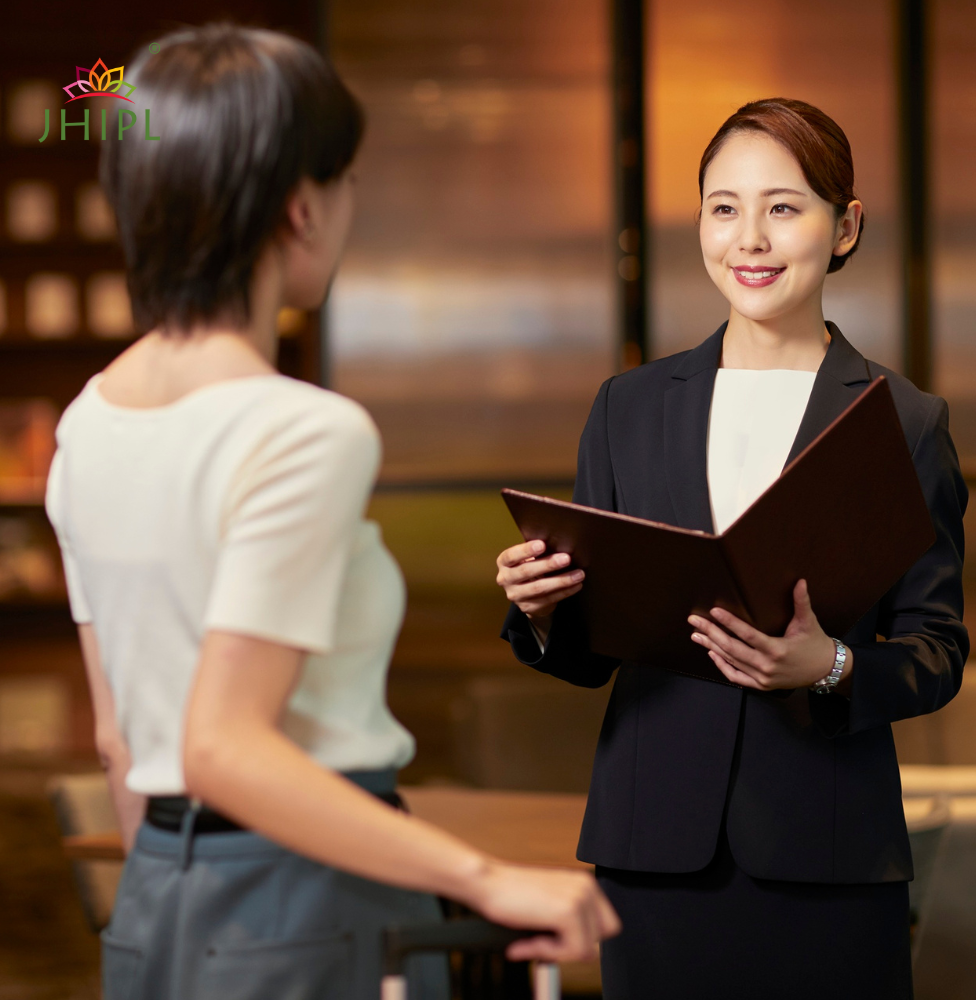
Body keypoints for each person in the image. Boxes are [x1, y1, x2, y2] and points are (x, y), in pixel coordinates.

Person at [45, 24, 618, 1000]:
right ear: (301, 208)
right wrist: (487, 878)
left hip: (156, 898)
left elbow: (119, 740)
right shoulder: (303, 430)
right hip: (305, 899)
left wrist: (183, 918)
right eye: (348, 179)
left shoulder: (86, 422)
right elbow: (221, 745)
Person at [496, 98, 968, 999]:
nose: (749, 238)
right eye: (724, 208)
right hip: (652, 853)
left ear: (845, 227)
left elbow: (937, 649)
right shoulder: (628, 406)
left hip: (828, 856)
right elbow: (592, 652)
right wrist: (545, 608)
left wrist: (829, 667)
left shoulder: (904, 422)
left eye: (783, 207)